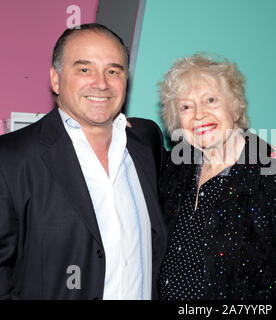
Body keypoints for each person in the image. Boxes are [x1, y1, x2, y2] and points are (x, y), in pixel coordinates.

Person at [0, 23, 167, 299]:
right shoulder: (12, 158)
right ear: (56, 79)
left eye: (113, 71)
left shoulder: (146, 144)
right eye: (84, 69)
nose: (101, 83)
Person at [155, 53, 276, 299]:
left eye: (211, 100)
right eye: (186, 106)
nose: (199, 115)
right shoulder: (172, 171)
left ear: (235, 107)